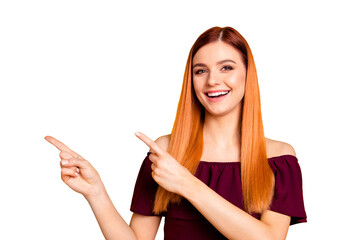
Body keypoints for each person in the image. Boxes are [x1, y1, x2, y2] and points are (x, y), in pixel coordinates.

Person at [45, 26, 307, 240]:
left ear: (248, 75)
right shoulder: (166, 151)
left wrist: (187, 184)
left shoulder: (279, 158)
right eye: (200, 70)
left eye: (226, 67)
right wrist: (96, 192)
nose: (212, 80)